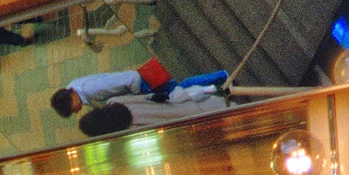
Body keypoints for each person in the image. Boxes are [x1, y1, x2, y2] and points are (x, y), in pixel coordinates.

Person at [49, 64, 230, 133]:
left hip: (143, 86)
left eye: (73, 108)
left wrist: (140, 98)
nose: (76, 111)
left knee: (183, 88)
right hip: (140, 91)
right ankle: (220, 79)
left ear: (72, 96)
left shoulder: (91, 90)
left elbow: (131, 78)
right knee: (183, 88)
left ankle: (221, 77)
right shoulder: (75, 87)